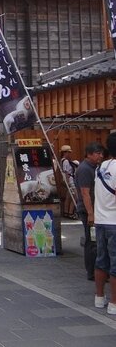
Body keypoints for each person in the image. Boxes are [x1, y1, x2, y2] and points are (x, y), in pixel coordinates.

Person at [93, 132, 116, 314]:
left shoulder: (100, 167)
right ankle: (114, 304)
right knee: (115, 264)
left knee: (101, 261)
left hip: (101, 220)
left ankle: (99, 297)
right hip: (115, 222)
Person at [75, 141, 105, 281]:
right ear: (89, 154)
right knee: (92, 241)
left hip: (95, 209)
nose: (101, 156)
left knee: (95, 240)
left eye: (101, 153)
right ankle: (92, 272)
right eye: (97, 153)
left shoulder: (95, 167)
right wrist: (91, 214)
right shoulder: (85, 169)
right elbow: (85, 193)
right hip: (88, 210)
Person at [60, 145, 78, 216]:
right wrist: (67, 183)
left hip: (69, 180)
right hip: (70, 180)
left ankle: (66, 212)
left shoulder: (62, 160)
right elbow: (66, 173)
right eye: (68, 152)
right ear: (65, 152)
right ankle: (70, 212)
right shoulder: (66, 161)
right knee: (75, 196)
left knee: (68, 197)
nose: (69, 154)